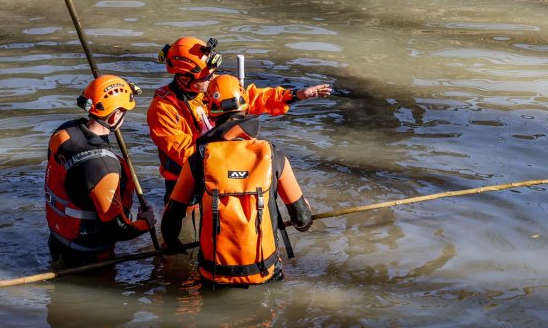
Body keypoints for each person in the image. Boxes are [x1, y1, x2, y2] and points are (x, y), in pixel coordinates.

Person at [160, 74, 313, 286]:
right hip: (266, 273)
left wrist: (174, 247)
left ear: (211, 114)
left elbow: (169, 223)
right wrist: (305, 209)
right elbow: (303, 221)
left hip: (212, 275)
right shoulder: (273, 156)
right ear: (245, 108)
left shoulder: (198, 159)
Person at [146, 36, 332, 203]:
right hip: (187, 182)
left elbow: (252, 98)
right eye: (207, 76)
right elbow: (185, 153)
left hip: (222, 170)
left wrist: (294, 95)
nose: (212, 80)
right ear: (184, 78)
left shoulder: (212, 86)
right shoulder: (163, 109)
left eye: (212, 74)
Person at [45, 74, 156, 268]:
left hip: (58, 240)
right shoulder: (103, 167)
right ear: (114, 116)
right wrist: (145, 223)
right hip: (89, 255)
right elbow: (118, 229)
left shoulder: (63, 132)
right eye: (124, 113)